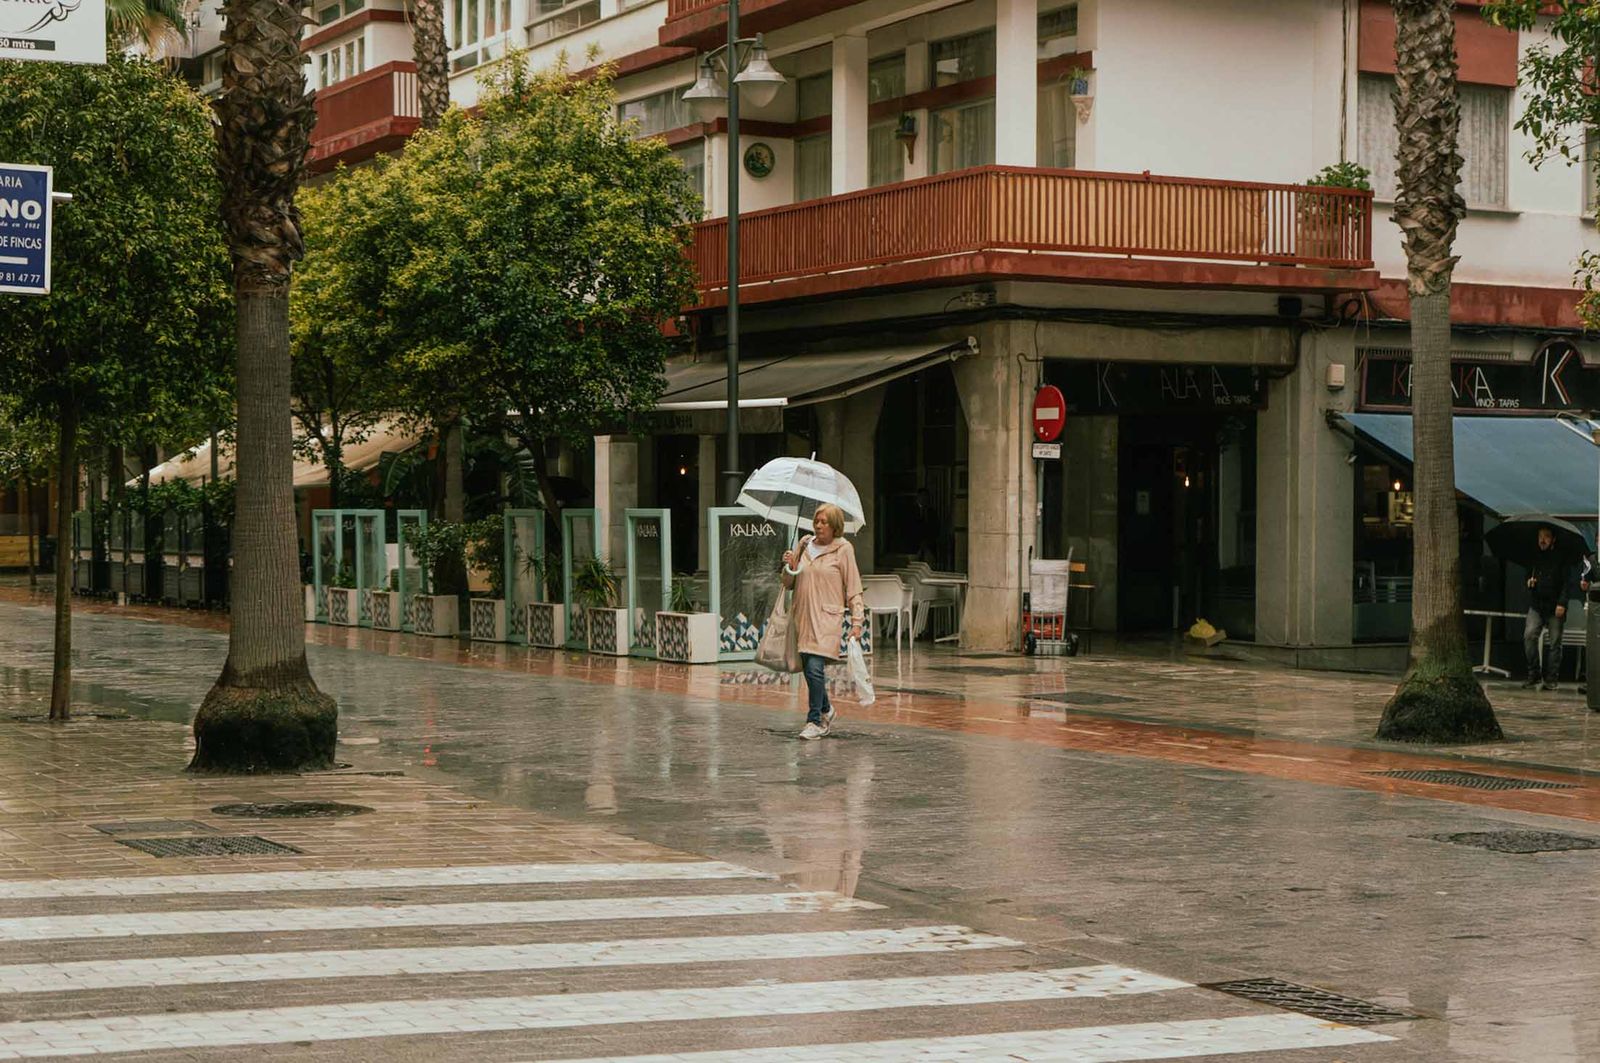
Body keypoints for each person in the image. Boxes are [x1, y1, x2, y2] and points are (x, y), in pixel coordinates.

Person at [781, 503, 865, 740]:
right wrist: (790, 565)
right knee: (809, 669)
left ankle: (815, 720)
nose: (818, 526)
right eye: (816, 521)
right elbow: (788, 583)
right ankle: (826, 708)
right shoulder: (804, 544)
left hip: (827, 617)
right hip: (803, 615)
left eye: (824, 522)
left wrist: (857, 622)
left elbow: (854, 588)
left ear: (835, 526)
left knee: (814, 667)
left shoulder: (844, 549)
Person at [1523, 525, 1579, 691]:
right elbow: (1528, 577)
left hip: (1555, 605)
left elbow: (1567, 583)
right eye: (1540, 536)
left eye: (1546, 536)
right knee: (1529, 636)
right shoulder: (1534, 557)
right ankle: (1534, 674)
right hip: (1537, 604)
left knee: (1555, 642)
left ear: (1553, 539)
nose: (1542, 540)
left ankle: (1551, 679)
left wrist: (1562, 603)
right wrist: (1529, 583)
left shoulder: (1562, 558)